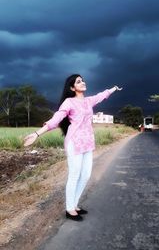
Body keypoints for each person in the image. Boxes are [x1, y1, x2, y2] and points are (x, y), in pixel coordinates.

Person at [24, 74, 122, 221]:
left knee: (86, 175)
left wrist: (114, 88)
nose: (82, 82)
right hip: (74, 143)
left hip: (87, 143)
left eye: (82, 80)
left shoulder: (89, 101)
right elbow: (56, 119)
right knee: (74, 176)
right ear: (72, 87)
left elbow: (102, 95)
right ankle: (70, 209)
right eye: (78, 81)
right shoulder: (69, 102)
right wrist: (37, 134)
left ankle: (74, 204)